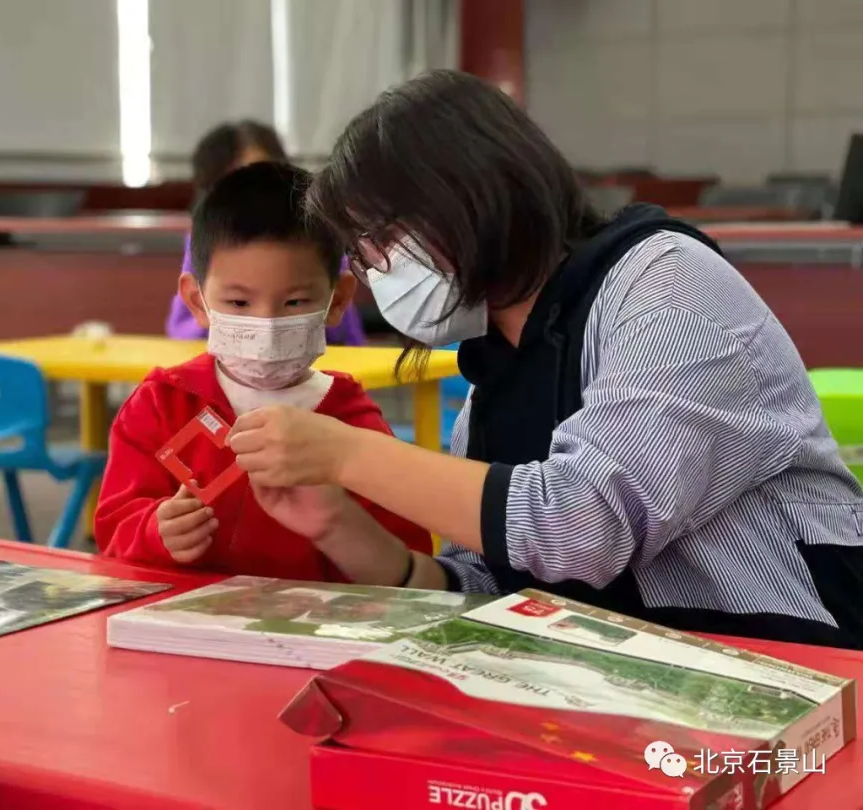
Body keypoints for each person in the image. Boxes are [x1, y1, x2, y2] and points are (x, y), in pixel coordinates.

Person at [227, 69, 863, 649]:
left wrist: (347, 453)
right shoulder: (490, 389)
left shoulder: (667, 285)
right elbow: (482, 594)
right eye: (364, 255)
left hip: (796, 660)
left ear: (470, 190)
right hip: (632, 686)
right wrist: (341, 528)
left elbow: (584, 525)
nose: (378, 271)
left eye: (385, 238)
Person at [95, 161, 431, 580]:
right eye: (239, 304)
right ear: (197, 301)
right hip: (181, 628)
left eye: (294, 303)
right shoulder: (161, 404)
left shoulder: (352, 425)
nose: (267, 326)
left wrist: (344, 529)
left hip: (305, 635)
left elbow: (406, 564)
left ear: (339, 299)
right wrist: (153, 531)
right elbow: (112, 529)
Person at [165, 120, 367, 346]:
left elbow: (347, 334)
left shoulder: (317, 230)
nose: (255, 194)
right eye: (237, 184)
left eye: (265, 178)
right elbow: (182, 329)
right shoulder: (207, 238)